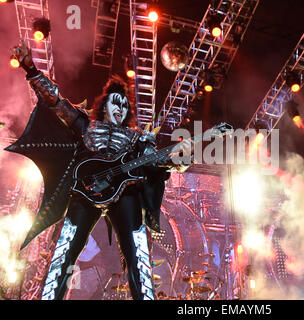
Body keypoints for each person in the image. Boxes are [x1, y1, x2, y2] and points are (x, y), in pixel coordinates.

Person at [8, 40, 192, 300]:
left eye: (125, 104)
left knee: (138, 255)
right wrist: (30, 68)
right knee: (64, 251)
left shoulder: (135, 137)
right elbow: (55, 101)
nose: (121, 107)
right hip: (85, 191)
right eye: (116, 102)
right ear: (104, 105)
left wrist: (180, 160)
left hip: (125, 191)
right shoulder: (84, 124)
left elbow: (157, 160)